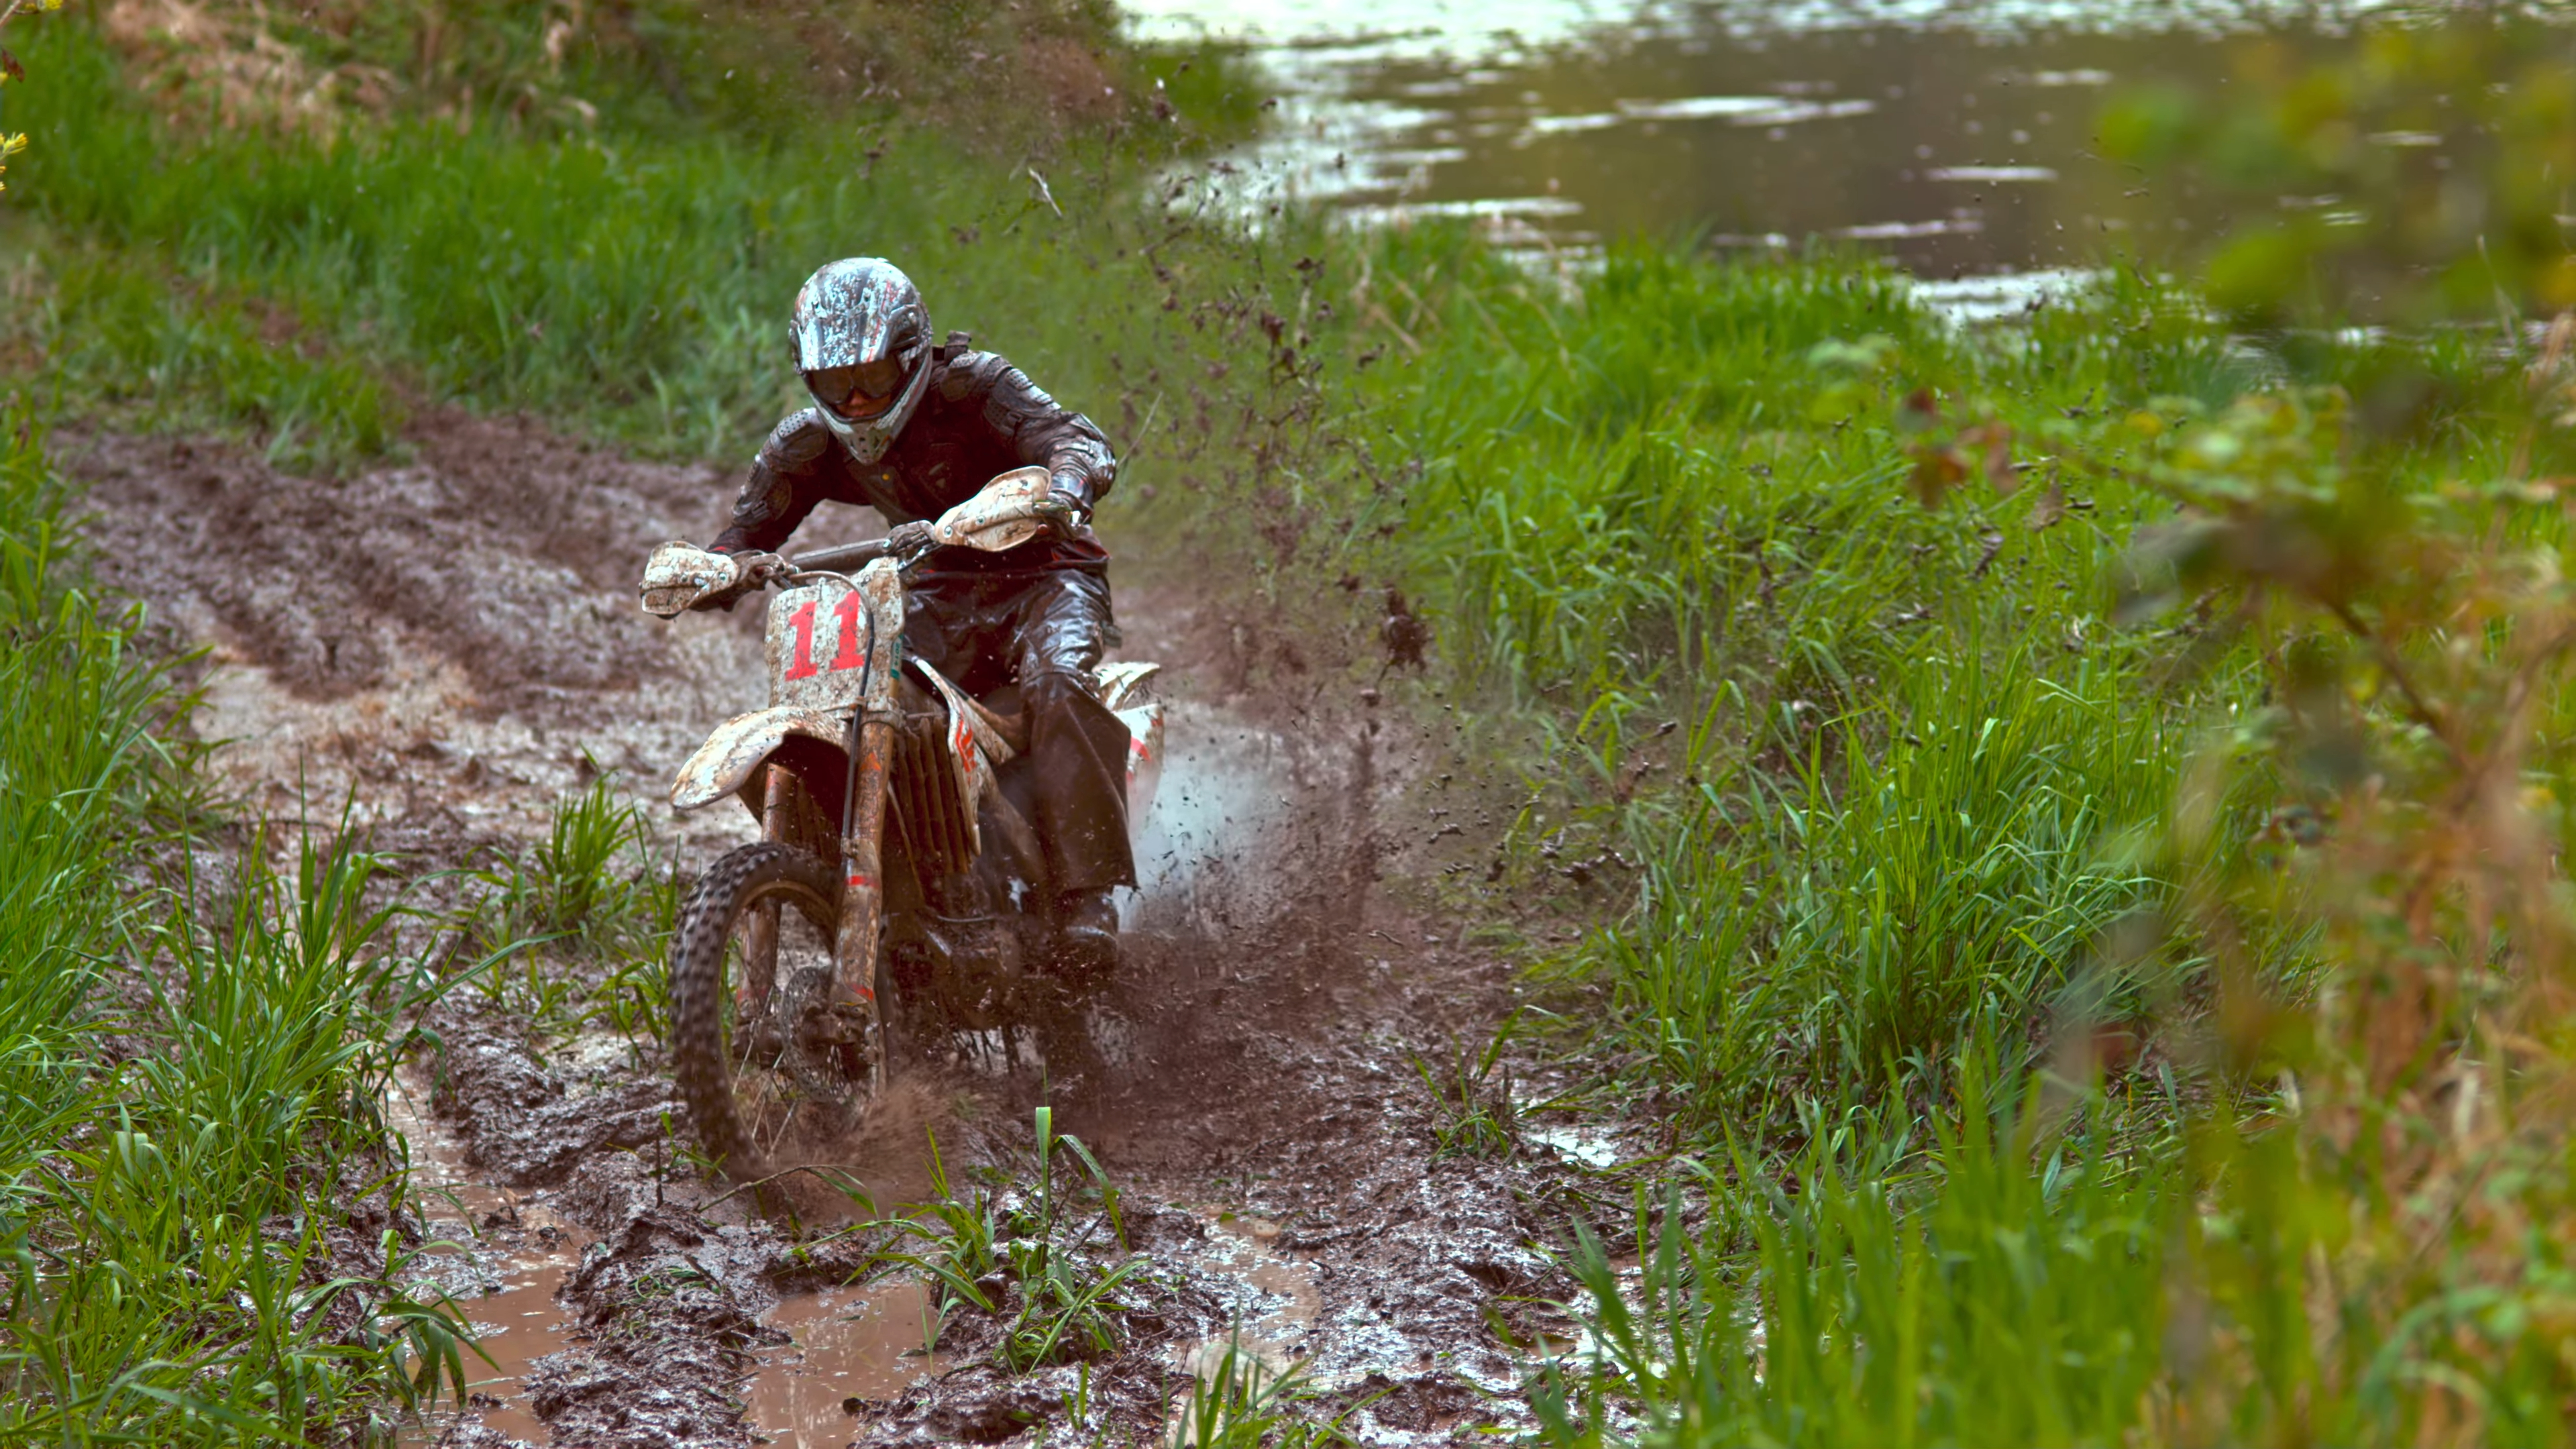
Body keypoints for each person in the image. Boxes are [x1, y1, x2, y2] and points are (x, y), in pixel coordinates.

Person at [688, 256, 1132, 977]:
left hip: (1046, 579)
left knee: (1057, 684)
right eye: (835, 385)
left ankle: (1090, 897)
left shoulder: (978, 387)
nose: (856, 402)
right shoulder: (809, 442)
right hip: (936, 590)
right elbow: (743, 536)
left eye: (870, 380)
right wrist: (716, 571)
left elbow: (1076, 439)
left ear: (911, 355)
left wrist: (1068, 486)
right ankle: (912, 885)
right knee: (869, 697)